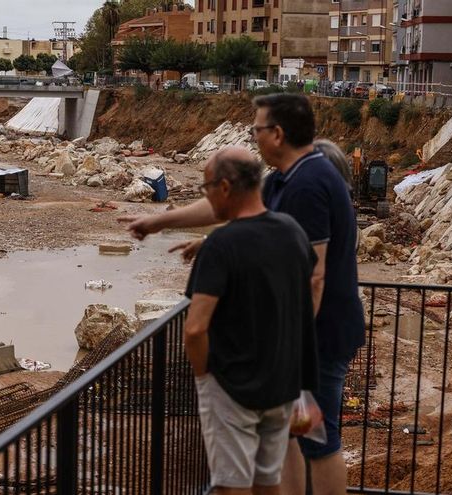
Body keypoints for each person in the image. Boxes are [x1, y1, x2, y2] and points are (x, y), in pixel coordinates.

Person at [119, 93, 365, 495]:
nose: (253, 135)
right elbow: (233, 209)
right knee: (293, 435)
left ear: (278, 134)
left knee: (318, 439)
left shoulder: (308, 183)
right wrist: (161, 222)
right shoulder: (289, 176)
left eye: (257, 128)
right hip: (302, 339)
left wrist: (290, 345)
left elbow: (313, 276)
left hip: (316, 337)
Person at [185, 146, 318, 495]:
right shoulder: (292, 231)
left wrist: (205, 380)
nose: (208, 196)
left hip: (233, 388)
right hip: (281, 383)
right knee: (268, 480)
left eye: (207, 188)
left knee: (232, 485)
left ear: (225, 188)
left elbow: (196, 328)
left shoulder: (221, 245)